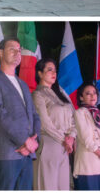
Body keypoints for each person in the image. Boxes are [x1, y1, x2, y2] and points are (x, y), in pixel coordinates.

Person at [0, 38, 41, 190]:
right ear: (0, 53)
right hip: (5, 153)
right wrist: (24, 140)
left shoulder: (23, 84)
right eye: (12, 49)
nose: (17, 53)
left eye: (19, 50)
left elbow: (34, 115)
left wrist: (34, 140)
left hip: (26, 154)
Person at [31, 58, 75, 190]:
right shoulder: (37, 94)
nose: (53, 73)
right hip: (49, 145)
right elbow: (44, 123)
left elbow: (73, 119)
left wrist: (72, 136)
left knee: (63, 187)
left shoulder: (60, 95)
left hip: (64, 147)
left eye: (55, 70)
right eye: (49, 70)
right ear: (40, 73)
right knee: (47, 186)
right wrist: (64, 140)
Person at [74, 83, 100, 190]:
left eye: (94, 93)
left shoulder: (98, 113)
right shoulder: (80, 113)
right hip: (88, 165)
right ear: (81, 97)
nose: (92, 96)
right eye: (88, 94)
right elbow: (87, 140)